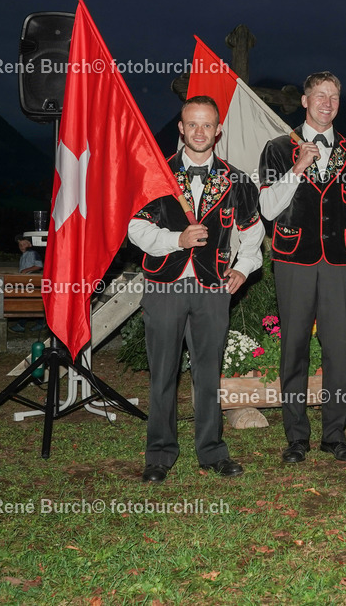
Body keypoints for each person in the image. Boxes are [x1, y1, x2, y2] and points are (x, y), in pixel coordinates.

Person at [128, 95, 263, 483]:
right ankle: (159, 453)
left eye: (207, 125)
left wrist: (243, 269)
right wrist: (177, 240)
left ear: (218, 130)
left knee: (208, 373)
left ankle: (211, 451)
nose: (200, 131)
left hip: (212, 289)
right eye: (193, 124)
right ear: (181, 128)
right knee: (163, 373)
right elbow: (135, 229)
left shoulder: (238, 180)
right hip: (163, 285)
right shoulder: (158, 174)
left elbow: (253, 235)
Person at [258, 71, 346, 464]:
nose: (327, 102)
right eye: (319, 95)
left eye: (334, 97)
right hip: (294, 261)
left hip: (341, 262)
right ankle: (296, 437)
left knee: (339, 348)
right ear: (304, 101)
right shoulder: (277, 148)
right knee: (294, 347)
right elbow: (268, 209)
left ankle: (335, 434)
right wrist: (298, 168)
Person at [9, 235, 45, 333]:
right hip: (26, 282)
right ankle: (39, 323)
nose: (22, 246)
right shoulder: (23, 256)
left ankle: (24, 324)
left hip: (31, 281)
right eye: (20, 244)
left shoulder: (32, 253)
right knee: (29, 303)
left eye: (24, 244)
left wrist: (26, 270)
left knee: (27, 302)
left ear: (30, 244)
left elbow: (39, 265)